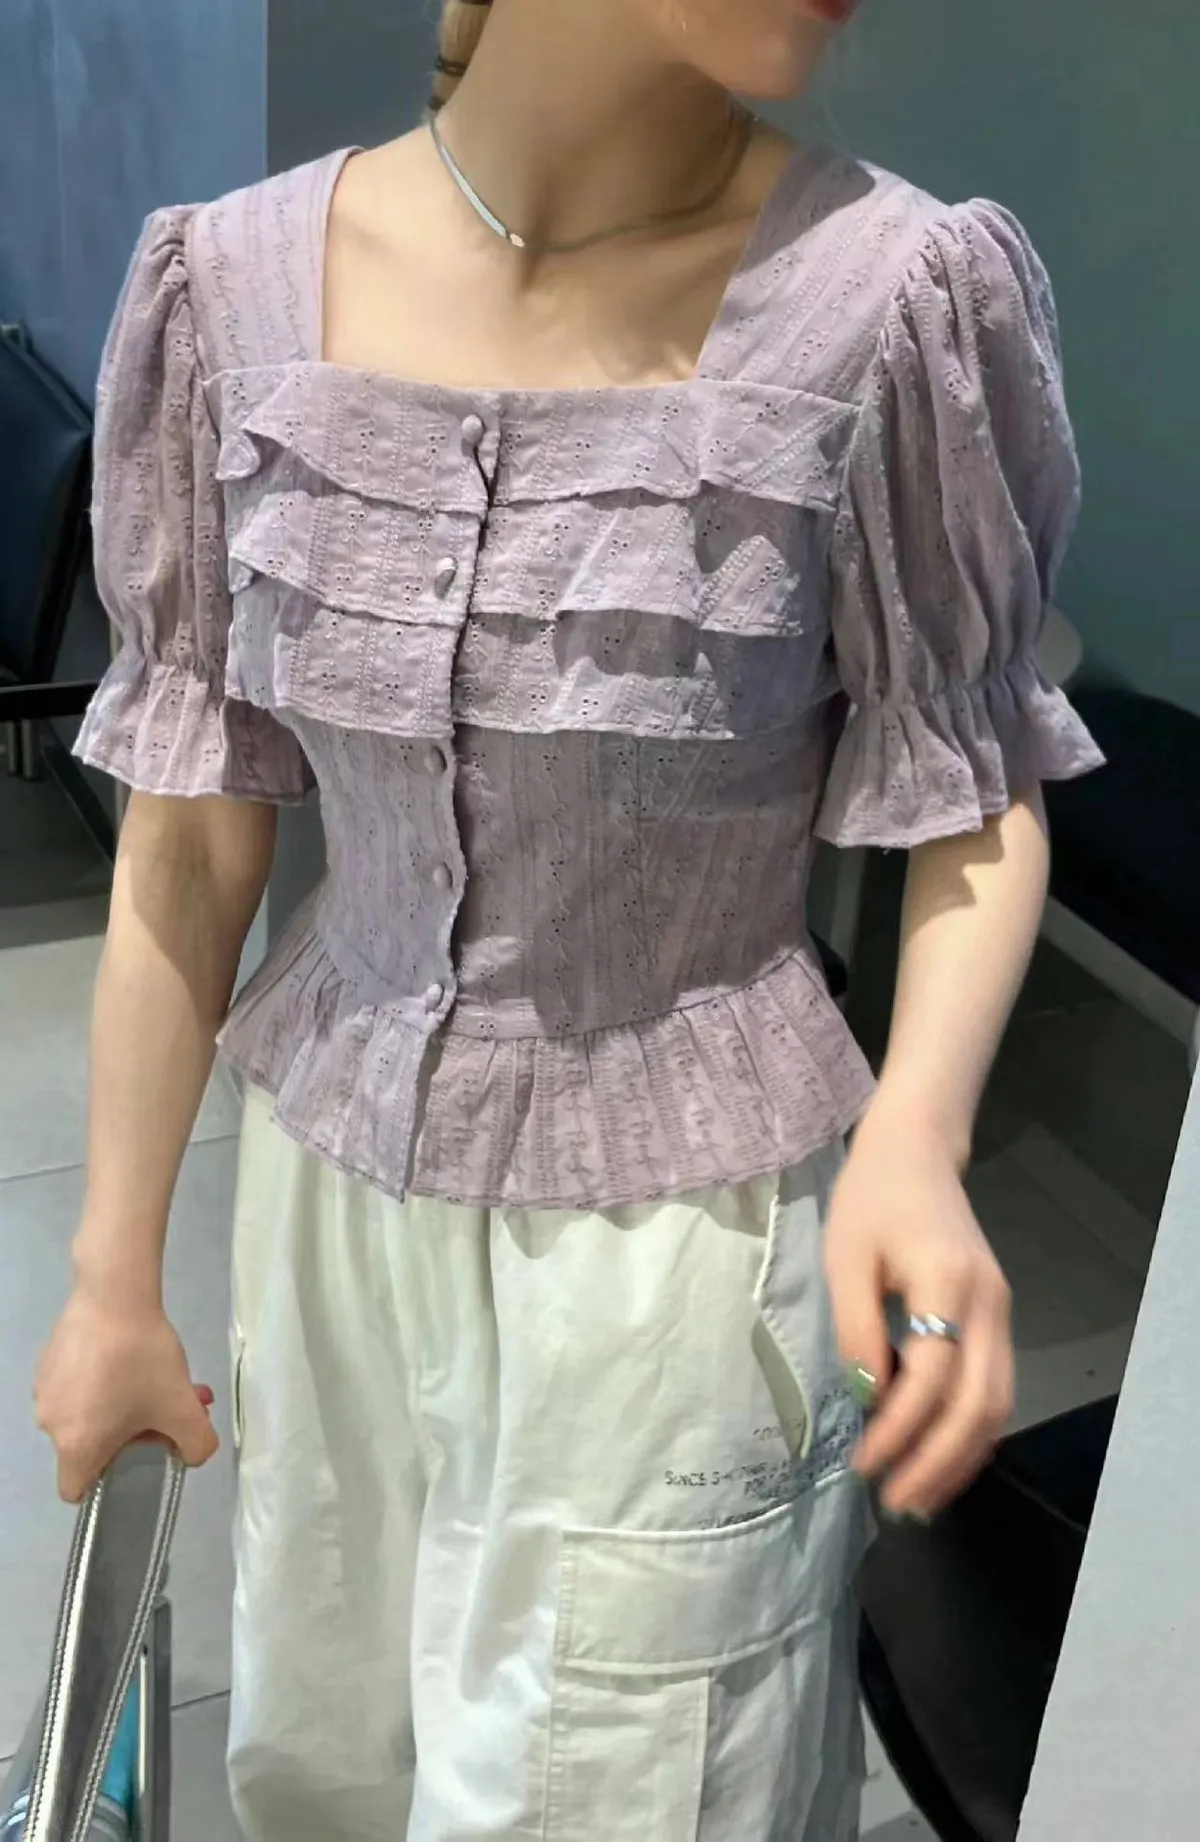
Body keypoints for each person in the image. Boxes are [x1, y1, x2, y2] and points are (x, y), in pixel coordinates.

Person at [35, 0, 1103, 1836]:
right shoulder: (233, 293)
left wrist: (919, 1132)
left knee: (623, 1794)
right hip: (328, 1211)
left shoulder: (892, 299)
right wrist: (112, 1273)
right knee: (322, 1769)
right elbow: (193, 836)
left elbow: (968, 776)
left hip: (674, 1249)